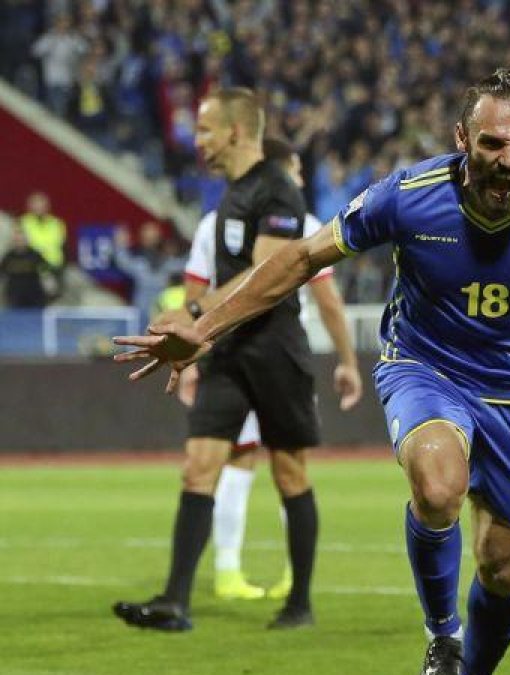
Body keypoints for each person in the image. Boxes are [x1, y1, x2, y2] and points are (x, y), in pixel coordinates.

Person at [114, 69, 510, 674]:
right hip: (425, 369)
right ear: (461, 139)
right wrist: (203, 327)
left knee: (504, 568)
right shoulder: (408, 197)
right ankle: (442, 635)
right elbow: (302, 259)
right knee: (440, 485)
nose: (508, 158)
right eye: (493, 142)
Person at [111, 87, 323, 632]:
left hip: (275, 350)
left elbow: (267, 277)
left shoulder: (278, 192)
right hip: (227, 351)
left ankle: (299, 603)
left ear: (234, 131)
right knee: (199, 466)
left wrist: (196, 313)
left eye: (204, 129)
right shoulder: (230, 196)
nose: (196, 139)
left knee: (289, 471)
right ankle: (173, 602)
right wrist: (192, 324)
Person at [177, 136, 363, 601]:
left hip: (224, 353)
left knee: (230, 461)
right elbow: (327, 302)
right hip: (279, 355)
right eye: (296, 170)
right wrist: (346, 361)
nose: (299, 180)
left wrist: (188, 355)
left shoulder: (210, 223)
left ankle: (226, 572)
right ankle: (293, 584)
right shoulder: (305, 222)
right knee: (290, 467)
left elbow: (193, 294)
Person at [0, 226, 52, 308]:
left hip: (34, 294)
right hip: (14, 296)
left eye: (22, 240)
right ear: (13, 241)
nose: (20, 242)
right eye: (17, 240)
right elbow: (2, 273)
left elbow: (46, 269)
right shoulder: (8, 257)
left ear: (26, 240)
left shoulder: (35, 255)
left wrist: (47, 280)